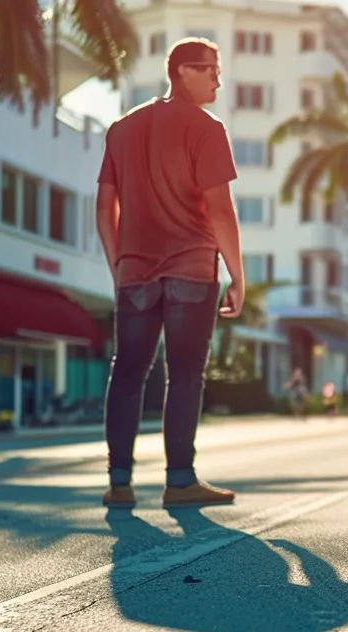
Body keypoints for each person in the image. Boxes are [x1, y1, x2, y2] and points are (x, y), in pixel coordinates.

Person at [94, 37, 242, 509]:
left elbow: (104, 207)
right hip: (192, 270)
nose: (219, 78)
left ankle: (119, 482)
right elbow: (220, 210)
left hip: (135, 274)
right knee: (184, 376)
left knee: (128, 373)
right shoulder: (206, 128)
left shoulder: (121, 129)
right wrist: (238, 276)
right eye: (210, 69)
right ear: (182, 71)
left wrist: (120, 263)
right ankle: (179, 481)